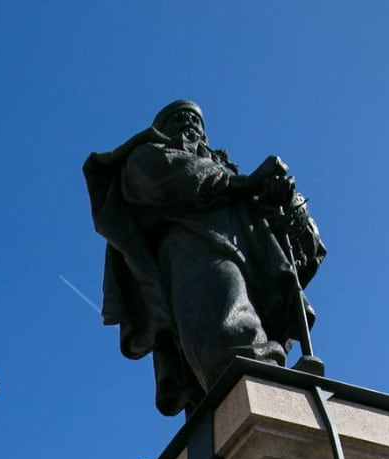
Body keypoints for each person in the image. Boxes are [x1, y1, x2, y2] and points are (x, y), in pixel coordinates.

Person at [84, 100, 325, 416]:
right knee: (228, 331)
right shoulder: (147, 157)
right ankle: (259, 405)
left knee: (250, 334)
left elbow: (300, 241)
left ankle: (263, 405)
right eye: (178, 118)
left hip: (249, 252)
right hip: (194, 249)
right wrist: (244, 184)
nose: (189, 124)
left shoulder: (228, 171)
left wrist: (283, 202)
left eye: (196, 119)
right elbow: (172, 179)